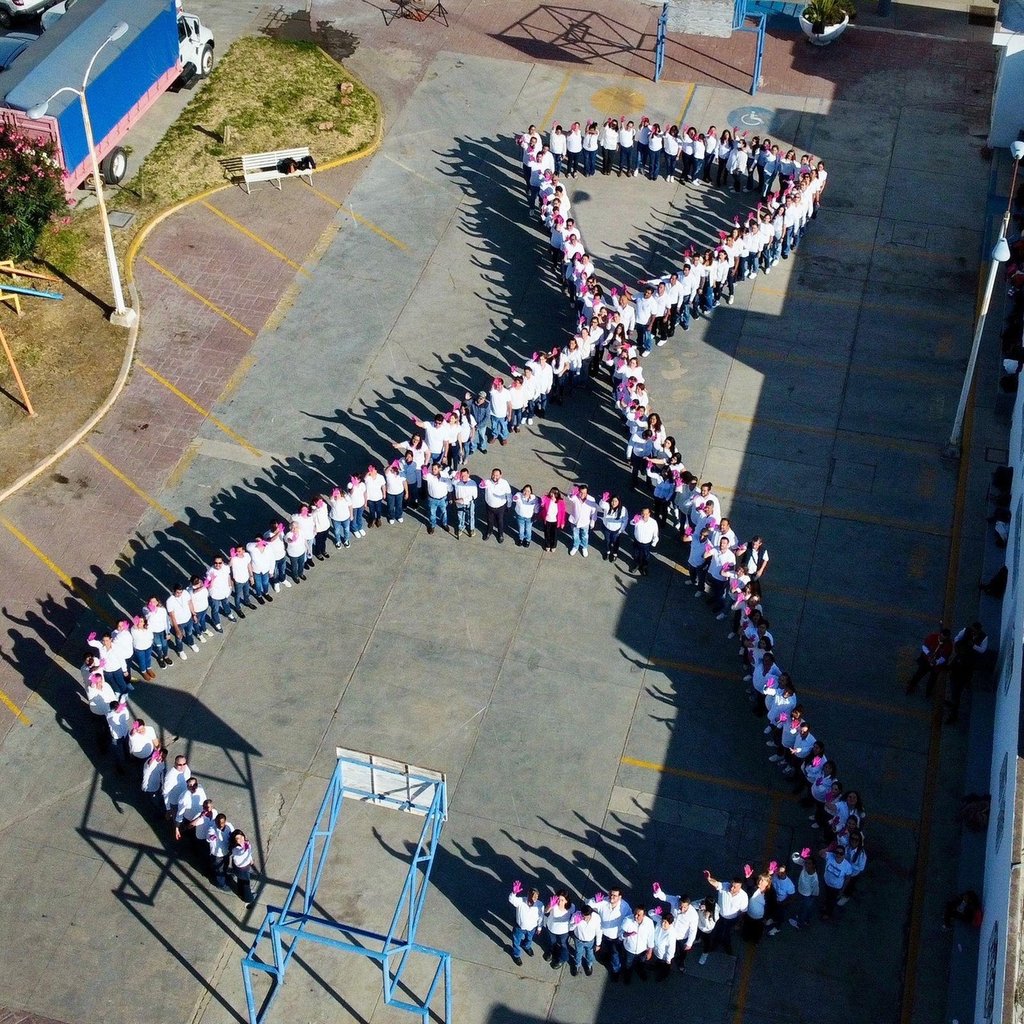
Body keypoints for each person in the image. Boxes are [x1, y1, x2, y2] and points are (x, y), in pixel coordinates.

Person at [946, 622, 988, 723]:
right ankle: (953, 702)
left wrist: (973, 646)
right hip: (960, 661)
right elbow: (957, 638)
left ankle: (953, 711)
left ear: (979, 630)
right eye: (972, 630)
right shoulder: (966, 630)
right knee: (955, 688)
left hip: (968, 665)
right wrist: (958, 648)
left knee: (957, 691)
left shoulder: (984, 637)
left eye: (975, 631)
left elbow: (982, 650)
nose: (973, 632)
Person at [589, 887, 632, 978]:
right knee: (603, 949)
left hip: (616, 937)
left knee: (615, 955)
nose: (611, 897)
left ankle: (616, 971)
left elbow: (630, 918)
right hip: (603, 934)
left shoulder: (625, 907)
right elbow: (588, 904)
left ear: (620, 897)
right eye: (610, 894)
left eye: (614, 895)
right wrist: (595, 901)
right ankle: (604, 957)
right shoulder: (603, 901)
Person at [704, 871, 748, 957]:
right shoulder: (724, 886)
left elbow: (743, 911)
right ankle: (714, 945)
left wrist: (739, 923)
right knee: (718, 931)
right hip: (720, 916)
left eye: (734, 887)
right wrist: (709, 879)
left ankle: (727, 945)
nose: (731, 888)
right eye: (731, 885)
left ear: (740, 887)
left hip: (732, 919)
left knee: (727, 933)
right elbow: (716, 883)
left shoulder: (743, 897)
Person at [905, 626, 953, 695]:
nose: (942, 639)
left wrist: (936, 662)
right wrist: (929, 654)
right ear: (940, 634)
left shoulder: (949, 645)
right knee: (919, 673)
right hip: (926, 660)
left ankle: (928, 692)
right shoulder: (932, 637)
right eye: (942, 637)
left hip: (937, 665)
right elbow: (924, 646)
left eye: (945, 638)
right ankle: (911, 686)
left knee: (932, 679)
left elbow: (944, 657)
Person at [508, 881, 544, 965]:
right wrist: (514, 893)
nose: (534, 897)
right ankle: (516, 955)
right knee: (516, 941)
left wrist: (539, 927)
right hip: (519, 927)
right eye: (533, 894)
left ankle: (526, 946)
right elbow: (511, 899)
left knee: (529, 939)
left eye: (536, 896)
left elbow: (541, 917)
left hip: (532, 928)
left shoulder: (540, 905)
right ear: (528, 894)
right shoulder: (521, 901)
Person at [620, 905, 655, 983]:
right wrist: (627, 934)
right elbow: (620, 936)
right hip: (629, 950)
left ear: (644, 915)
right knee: (628, 964)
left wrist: (650, 951)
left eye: (638, 915)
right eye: (635, 913)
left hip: (642, 950)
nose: (635, 916)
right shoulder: (627, 921)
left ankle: (641, 972)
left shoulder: (649, 923)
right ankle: (627, 977)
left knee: (641, 963)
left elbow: (651, 937)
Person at [542, 890, 575, 967]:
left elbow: (573, 917)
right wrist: (551, 904)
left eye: (562, 900)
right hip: (551, 928)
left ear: (566, 901)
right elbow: (546, 911)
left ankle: (563, 959)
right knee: (552, 942)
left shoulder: (571, 907)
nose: (559, 902)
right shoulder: (554, 905)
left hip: (563, 931)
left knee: (563, 945)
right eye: (558, 899)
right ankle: (551, 952)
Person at [481, 468, 512, 542]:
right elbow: (481, 486)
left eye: (497, 475)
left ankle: (500, 534)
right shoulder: (487, 482)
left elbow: (509, 495)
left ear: (501, 475)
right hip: (489, 506)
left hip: (500, 507)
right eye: (493, 475)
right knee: (489, 520)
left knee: (500, 521)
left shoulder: (504, 483)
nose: (495, 477)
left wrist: (509, 505)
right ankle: (489, 532)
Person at [790, 853, 819, 928]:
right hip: (801, 891)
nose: (806, 865)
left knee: (803, 909)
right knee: (804, 907)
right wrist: (797, 854)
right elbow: (796, 860)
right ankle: (806, 920)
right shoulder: (805, 866)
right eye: (806, 863)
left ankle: (799, 924)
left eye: (809, 864)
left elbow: (815, 890)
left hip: (807, 895)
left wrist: (812, 897)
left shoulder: (814, 878)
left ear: (813, 865)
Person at [571, 904, 601, 976]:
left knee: (590, 954)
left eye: (586, 917)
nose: (584, 918)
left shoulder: (596, 918)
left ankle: (589, 965)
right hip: (579, 940)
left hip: (590, 941)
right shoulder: (576, 915)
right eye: (583, 916)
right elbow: (570, 928)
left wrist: (598, 944)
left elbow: (599, 931)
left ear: (591, 914)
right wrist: (575, 923)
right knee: (578, 953)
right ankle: (577, 965)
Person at [567, 485, 598, 556]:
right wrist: (572, 494)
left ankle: (584, 547)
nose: (582, 494)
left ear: (587, 493)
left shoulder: (591, 500)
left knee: (585, 536)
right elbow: (569, 497)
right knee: (575, 535)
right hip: (574, 521)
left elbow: (594, 511)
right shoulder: (575, 497)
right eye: (581, 492)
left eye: (584, 493)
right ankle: (575, 546)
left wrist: (592, 521)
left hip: (585, 522)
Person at [229, 829, 257, 907]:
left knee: (240, 881)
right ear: (235, 841)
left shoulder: (245, 843)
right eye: (238, 838)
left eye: (241, 836)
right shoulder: (236, 849)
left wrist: (250, 859)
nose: (241, 839)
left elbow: (248, 853)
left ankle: (240, 891)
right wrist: (247, 844)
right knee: (246, 884)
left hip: (242, 867)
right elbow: (243, 853)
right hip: (242, 869)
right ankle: (249, 898)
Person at [423, 463, 453, 535]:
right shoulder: (429, 476)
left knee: (444, 512)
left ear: (439, 469)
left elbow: (450, 488)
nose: (433, 470)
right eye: (432, 469)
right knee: (432, 514)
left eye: (435, 469)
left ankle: (444, 524)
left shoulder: (445, 476)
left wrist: (450, 498)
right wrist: (424, 467)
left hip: (443, 499)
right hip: (432, 499)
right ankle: (432, 525)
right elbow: (424, 475)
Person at [632, 507, 659, 576]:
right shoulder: (638, 519)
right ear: (641, 514)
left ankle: (644, 567)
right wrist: (635, 520)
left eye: (647, 514)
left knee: (646, 556)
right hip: (637, 541)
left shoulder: (653, 522)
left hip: (646, 544)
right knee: (636, 554)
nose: (645, 516)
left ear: (649, 514)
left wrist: (654, 542)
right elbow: (631, 522)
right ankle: (637, 565)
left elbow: (656, 533)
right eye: (643, 514)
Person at [539, 487, 566, 552]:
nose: (552, 495)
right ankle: (547, 545)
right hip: (547, 520)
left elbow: (563, 513)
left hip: (555, 521)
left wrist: (562, 522)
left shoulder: (561, 502)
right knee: (547, 533)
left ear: (557, 494)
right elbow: (542, 506)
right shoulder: (546, 499)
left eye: (555, 494)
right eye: (551, 493)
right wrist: (542, 502)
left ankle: (553, 546)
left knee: (554, 534)